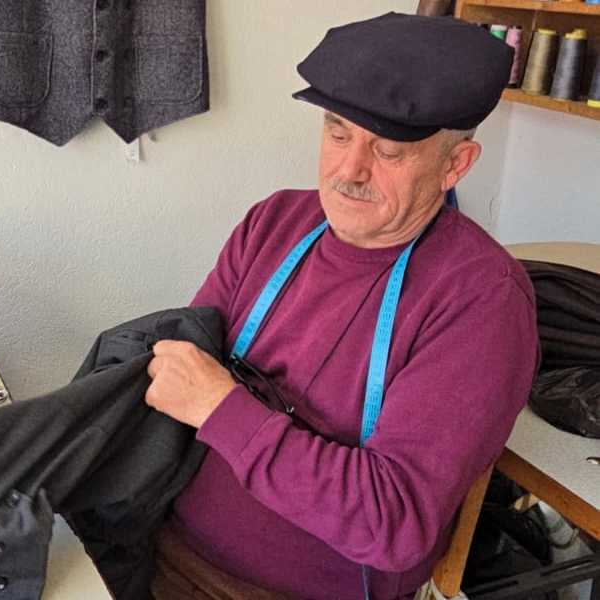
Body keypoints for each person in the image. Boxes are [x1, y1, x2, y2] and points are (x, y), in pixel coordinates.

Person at [145, 12, 541, 600]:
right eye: (337, 132)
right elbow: (181, 377)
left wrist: (220, 406)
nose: (349, 171)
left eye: (389, 151)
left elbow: (393, 521)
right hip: (156, 543)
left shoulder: (481, 299)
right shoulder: (273, 222)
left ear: (455, 165)